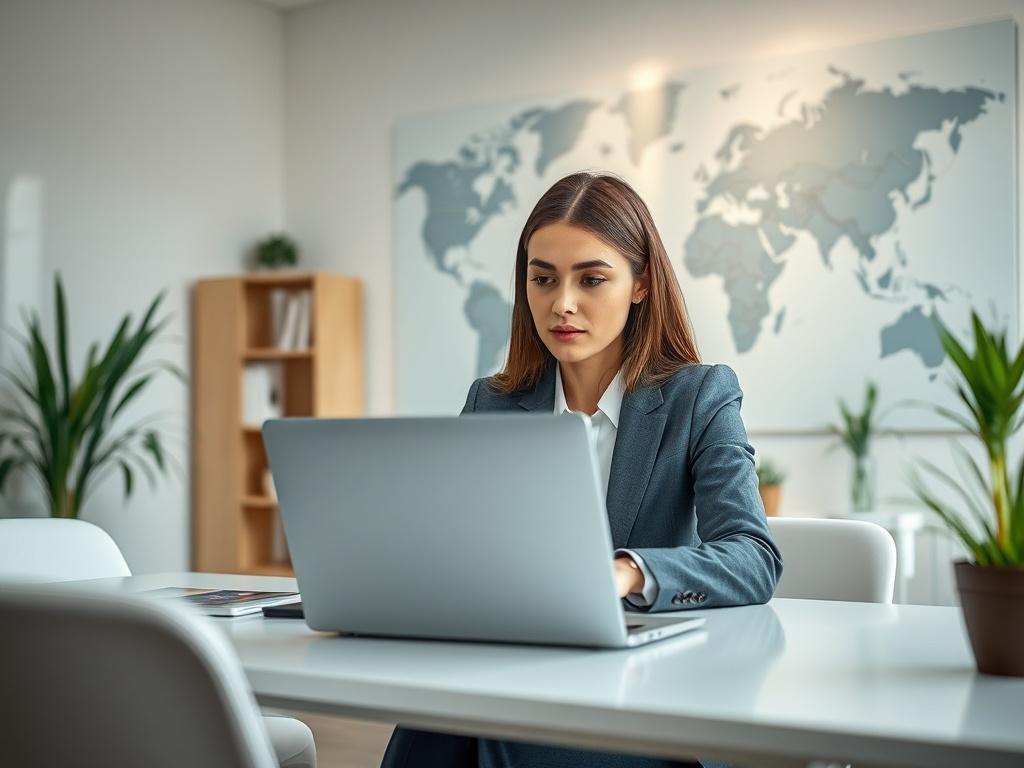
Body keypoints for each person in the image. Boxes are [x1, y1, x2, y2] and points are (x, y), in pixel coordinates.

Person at [381, 171, 783, 768]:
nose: (561, 303)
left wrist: (625, 572)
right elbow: (458, 546)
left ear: (641, 283)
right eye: (542, 278)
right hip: (506, 670)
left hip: (643, 692)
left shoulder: (700, 396)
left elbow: (753, 556)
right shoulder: (492, 402)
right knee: (435, 725)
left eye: (591, 279)